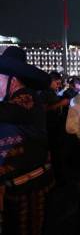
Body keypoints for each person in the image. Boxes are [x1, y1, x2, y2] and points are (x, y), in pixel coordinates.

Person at [0, 46, 54, 235]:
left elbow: (7, 112)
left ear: (12, 80)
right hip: (14, 189)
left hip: (30, 191)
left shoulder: (27, 99)